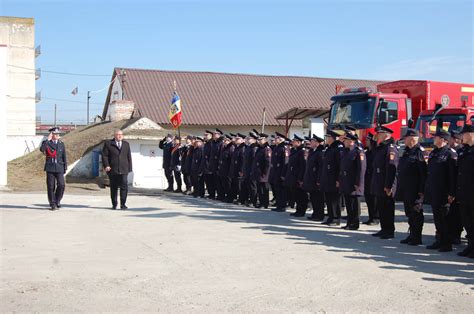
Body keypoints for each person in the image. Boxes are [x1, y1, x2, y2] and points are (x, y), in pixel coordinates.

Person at [425, 130, 457, 252]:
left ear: (443, 139)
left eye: (436, 137)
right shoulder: (434, 153)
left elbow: (453, 176)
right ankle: (439, 240)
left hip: (444, 192)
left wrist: (452, 192)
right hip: (435, 191)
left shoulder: (450, 154)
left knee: (445, 219)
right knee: (437, 218)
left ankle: (446, 243)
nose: (434, 139)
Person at [396, 129, 427, 245]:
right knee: (409, 213)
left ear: (413, 138)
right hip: (407, 189)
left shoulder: (420, 152)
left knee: (416, 214)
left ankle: (417, 237)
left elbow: (423, 174)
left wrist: (421, 191)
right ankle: (411, 234)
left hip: (415, 190)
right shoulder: (407, 151)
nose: (404, 140)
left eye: (406, 138)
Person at [371, 125, 398, 239]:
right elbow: (373, 150)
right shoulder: (381, 147)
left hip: (386, 183)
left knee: (387, 208)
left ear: (386, 135)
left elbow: (391, 169)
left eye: (380, 134)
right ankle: (384, 228)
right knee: (381, 207)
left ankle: (389, 230)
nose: (377, 136)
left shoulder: (390, 148)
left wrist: (388, 185)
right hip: (379, 182)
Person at [339, 132, 366, 230]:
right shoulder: (346, 151)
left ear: (351, 141)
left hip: (353, 183)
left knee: (354, 204)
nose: (344, 142)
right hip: (346, 181)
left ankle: (354, 223)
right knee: (348, 204)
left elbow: (361, 169)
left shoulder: (358, 152)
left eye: (345, 140)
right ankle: (349, 222)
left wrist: (358, 183)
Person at [102, 129, 133, 210]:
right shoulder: (108, 144)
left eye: (121, 134)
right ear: (114, 135)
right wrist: (106, 165)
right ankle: (114, 204)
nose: (120, 136)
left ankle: (123, 204)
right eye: (118, 134)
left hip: (124, 169)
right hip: (113, 169)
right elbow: (104, 156)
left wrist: (129, 168)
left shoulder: (126, 144)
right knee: (114, 187)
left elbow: (129, 156)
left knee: (124, 187)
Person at [456, 124, 474, 258]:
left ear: (471, 134)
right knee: (467, 222)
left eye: (464, 134)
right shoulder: (464, 151)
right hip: (464, 193)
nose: (461, 136)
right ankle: (470, 246)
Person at [320, 129, 344, 225]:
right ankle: (330, 217)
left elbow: (340, 165)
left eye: (328, 137)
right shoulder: (329, 148)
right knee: (329, 198)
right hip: (327, 177)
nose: (327, 139)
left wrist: (338, 179)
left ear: (332, 138)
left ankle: (336, 218)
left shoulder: (338, 148)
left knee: (335, 199)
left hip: (334, 178)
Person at [39, 127, 67, 210]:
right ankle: (52, 203)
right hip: (50, 167)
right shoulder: (46, 143)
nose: (57, 135)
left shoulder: (61, 143)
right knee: (51, 186)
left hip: (59, 167)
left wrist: (65, 167)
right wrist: (48, 139)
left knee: (61, 185)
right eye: (55, 134)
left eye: (58, 133)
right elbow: (42, 149)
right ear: (51, 134)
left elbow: (64, 156)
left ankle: (57, 200)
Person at [303, 134, 325, 221]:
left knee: (318, 198)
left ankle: (319, 215)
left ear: (317, 143)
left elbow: (320, 168)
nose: (310, 143)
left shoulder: (320, 152)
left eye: (312, 141)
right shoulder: (313, 151)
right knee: (313, 198)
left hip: (316, 179)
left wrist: (319, 179)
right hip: (311, 178)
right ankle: (315, 214)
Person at [447, 130, 464, 245]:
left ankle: (456, 236)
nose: (448, 141)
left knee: (457, 215)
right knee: (452, 214)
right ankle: (452, 234)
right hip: (452, 187)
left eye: (450, 139)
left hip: (459, 189)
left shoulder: (458, 152)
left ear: (455, 139)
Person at [284, 134, 307, 217]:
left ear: (299, 142)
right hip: (292, 176)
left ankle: (301, 211)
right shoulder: (294, 150)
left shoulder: (302, 151)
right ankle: (298, 210)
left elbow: (302, 166)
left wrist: (300, 178)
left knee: (301, 195)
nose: (292, 142)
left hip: (298, 176)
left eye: (294, 141)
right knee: (296, 194)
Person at [251, 133, 272, 209]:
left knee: (264, 189)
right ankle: (261, 202)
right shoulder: (260, 148)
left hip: (264, 174)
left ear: (265, 140)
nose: (259, 141)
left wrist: (265, 174)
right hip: (258, 172)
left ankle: (265, 203)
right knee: (260, 189)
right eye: (258, 140)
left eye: (261, 140)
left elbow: (268, 163)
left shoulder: (267, 149)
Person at [270, 132, 289, 212]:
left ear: (281, 139)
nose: (275, 139)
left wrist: (283, 174)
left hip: (280, 172)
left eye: (277, 138)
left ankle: (282, 205)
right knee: (277, 189)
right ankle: (278, 204)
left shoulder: (283, 148)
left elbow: (285, 162)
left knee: (282, 190)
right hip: (275, 172)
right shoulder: (276, 147)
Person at [363, 133, 379, 225]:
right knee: (368, 199)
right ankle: (371, 217)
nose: (366, 142)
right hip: (367, 178)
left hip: (373, 178)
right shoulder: (367, 152)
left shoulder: (375, 152)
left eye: (368, 140)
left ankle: (375, 218)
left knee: (374, 199)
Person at [241, 132, 258, 206]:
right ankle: (247, 199)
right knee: (247, 186)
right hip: (246, 170)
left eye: (249, 138)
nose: (248, 139)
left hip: (252, 170)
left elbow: (254, 161)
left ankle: (253, 201)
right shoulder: (248, 147)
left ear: (254, 139)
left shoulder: (254, 148)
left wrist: (252, 170)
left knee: (252, 186)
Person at [227, 133, 246, 203]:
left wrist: (241, 170)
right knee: (234, 185)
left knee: (239, 186)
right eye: (236, 138)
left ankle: (241, 199)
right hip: (234, 169)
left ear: (243, 140)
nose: (236, 140)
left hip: (239, 170)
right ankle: (234, 198)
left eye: (238, 139)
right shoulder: (237, 147)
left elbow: (243, 161)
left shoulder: (243, 148)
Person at [217, 134, 235, 201]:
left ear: (230, 141)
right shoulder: (225, 148)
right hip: (223, 169)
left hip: (228, 170)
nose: (225, 141)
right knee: (223, 184)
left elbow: (231, 161)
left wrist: (230, 170)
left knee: (228, 185)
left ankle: (229, 197)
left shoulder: (231, 148)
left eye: (227, 140)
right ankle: (224, 196)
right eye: (224, 140)